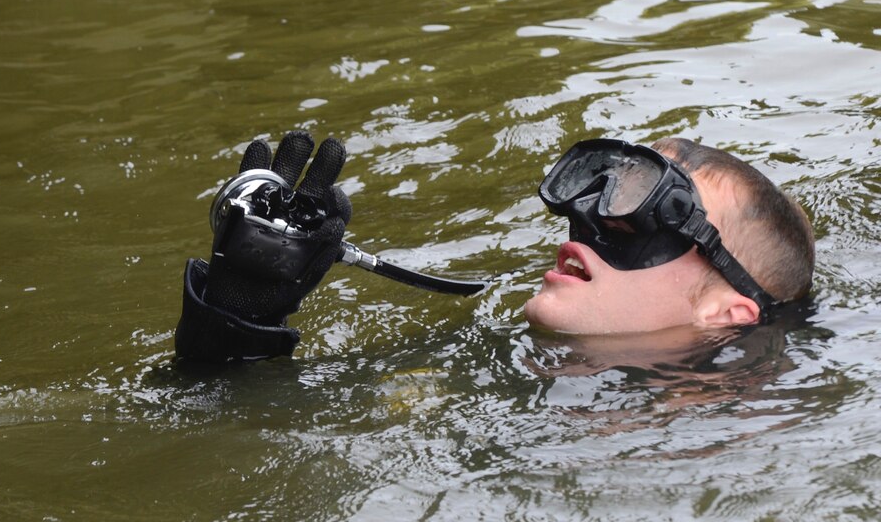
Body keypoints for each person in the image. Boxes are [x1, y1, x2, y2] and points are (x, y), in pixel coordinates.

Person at [174, 131, 814, 363]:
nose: (587, 227)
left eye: (645, 215)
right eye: (596, 189)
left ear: (727, 313)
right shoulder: (463, 366)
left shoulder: (747, 455)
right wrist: (235, 326)